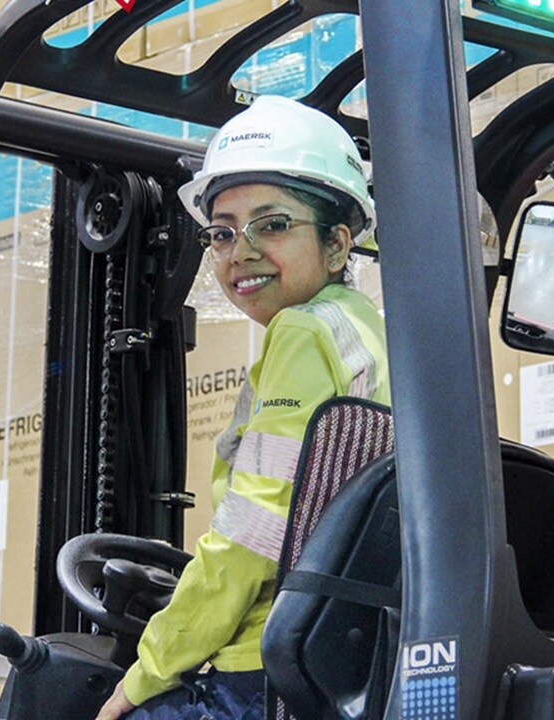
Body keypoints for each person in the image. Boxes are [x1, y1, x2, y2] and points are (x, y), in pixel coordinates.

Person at [95, 95, 390, 720]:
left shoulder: (304, 333)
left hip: (261, 675)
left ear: (339, 245)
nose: (240, 252)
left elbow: (253, 537)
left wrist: (149, 671)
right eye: (223, 233)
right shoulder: (372, 335)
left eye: (273, 224)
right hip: (342, 659)